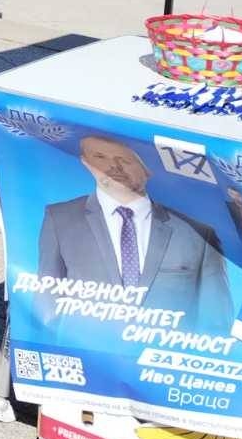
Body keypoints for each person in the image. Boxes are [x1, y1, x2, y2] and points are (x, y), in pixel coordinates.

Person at [37, 134, 231, 331]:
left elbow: (216, 323)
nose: (114, 167)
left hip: (162, 348)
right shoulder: (60, 219)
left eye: (124, 159)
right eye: (100, 157)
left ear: (148, 167)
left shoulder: (197, 234)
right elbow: (46, 305)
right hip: (83, 349)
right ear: (85, 162)